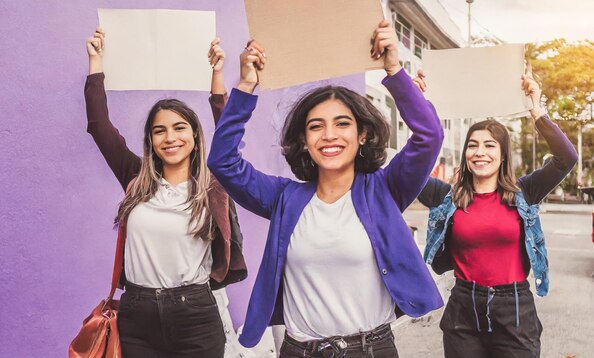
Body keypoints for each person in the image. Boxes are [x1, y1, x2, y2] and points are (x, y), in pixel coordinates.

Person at [208, 20, 444, 358]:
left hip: (370, 350)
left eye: (342, 124)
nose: (329, 135)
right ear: (304, 142)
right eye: (316, 126)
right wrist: (247, 84)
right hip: (299, 350)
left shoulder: (385, 189)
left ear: (362, 135)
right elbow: (223, 162)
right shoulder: (284, 198)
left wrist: (393, 68)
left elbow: (429, 137)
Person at [84, 28, 246, 357]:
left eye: (179, 128)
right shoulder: (136, 176)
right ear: (152, 141)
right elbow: (99, 126)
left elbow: (228, 131)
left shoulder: (214, 183)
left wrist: (217, 73)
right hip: (137, 316)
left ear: (196, 137)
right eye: (160, 131)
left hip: (195, 316)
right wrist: (95, 60)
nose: (170, 137)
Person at [415, 67, 578, 357]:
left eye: (490, 145)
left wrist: (536, 110)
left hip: (514, 309)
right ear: (465, 153)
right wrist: (415, 103)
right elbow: (406, 170)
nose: (480, 152)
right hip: (463, 309)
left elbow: (566, 158)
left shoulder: (524, 192)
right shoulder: (446, 197)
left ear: (503, 155)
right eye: (473, 145)